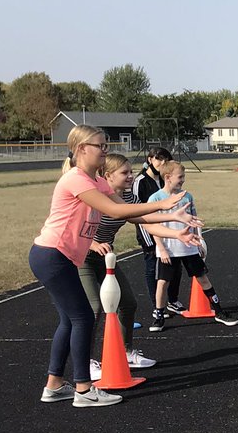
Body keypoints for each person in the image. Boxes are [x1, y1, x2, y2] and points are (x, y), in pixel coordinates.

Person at [31, 125, 195, 407]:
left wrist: (174, 225)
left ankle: (54, 385)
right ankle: (83, 389)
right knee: (83, 316)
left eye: (106, 145)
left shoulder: (98, 181)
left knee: (70, 320)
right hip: (51, 255)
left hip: (62, 258)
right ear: (82, 149)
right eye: (101, 146)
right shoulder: (76, 180)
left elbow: (132, 216)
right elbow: (115, 211)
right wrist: (163, 203)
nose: (105, 150)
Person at [147, 161, 238, 330]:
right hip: (168, 249)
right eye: (180, 176)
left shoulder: (187, 196)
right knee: (163, 282)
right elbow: (153, 226)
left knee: (203, 278)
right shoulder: (156, 199)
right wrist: (160, 247)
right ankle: (159, 315)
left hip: (188, 246)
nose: (183, 180)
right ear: (168, 177)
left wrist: (199, 241)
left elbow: (195, 220)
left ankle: (219, 311)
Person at [132, 147, 183, 310]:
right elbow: (136, 212)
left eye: (165, 159)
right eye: (159, 158)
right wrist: (152, 240)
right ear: (150, 160)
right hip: (149, 233)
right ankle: (157, 306)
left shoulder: (163, 180)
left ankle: (172, 301)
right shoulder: (140, 181)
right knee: (154, 268)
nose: (162, 162)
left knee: (175, 267)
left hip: (166, 231)